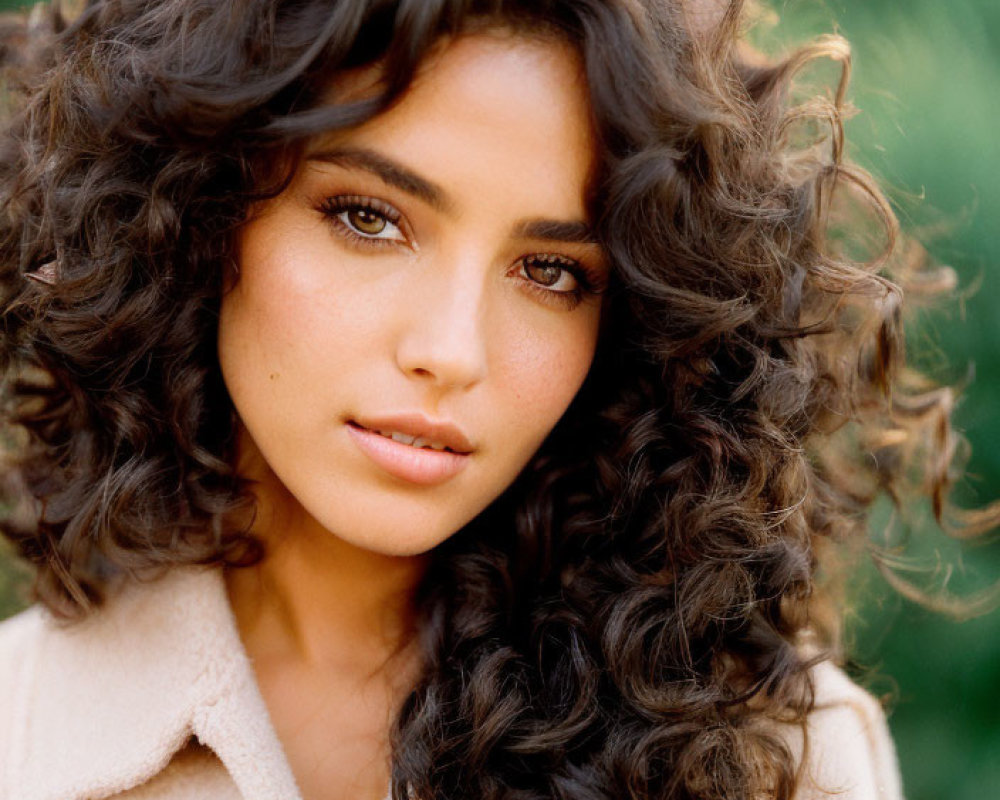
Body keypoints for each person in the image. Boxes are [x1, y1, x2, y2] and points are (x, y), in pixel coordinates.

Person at [0, 0, 969, 797]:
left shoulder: (774, 758)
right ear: (199, 211)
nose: (451, 351)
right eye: (368, 218)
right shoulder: (20, 730)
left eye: (549, 271)